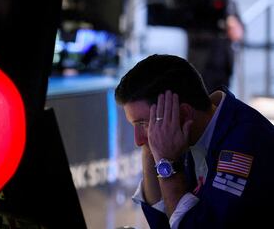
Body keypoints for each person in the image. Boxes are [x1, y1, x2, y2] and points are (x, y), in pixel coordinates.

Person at [114, 54, 274, 228]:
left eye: (144, 123)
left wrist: (168, 164)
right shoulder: (194, 131)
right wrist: (150, 151)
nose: (138, 140)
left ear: (183, 114)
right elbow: (163, 224)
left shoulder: (243, 142)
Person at [187, 0, 244, 91]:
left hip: (224, 66)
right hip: (203, 66)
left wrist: (232, 24)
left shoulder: (230, 3)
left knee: (222, 99)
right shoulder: (197, 0)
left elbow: (240, 33)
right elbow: (193, 30)